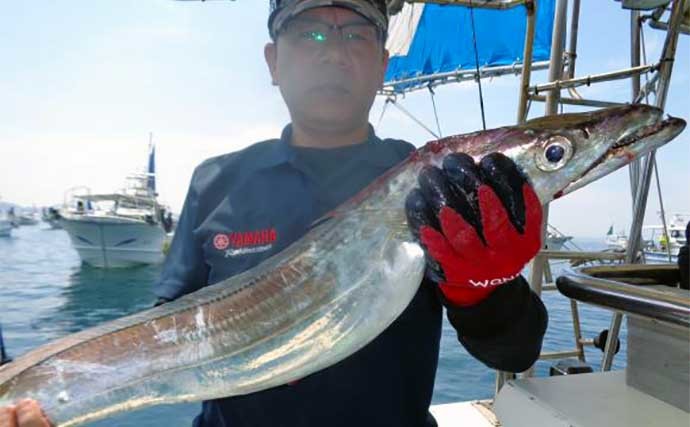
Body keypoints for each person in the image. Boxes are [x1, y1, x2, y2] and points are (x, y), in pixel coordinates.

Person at [0, 1, 547, 426]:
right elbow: (170, 323)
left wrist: (485, 286)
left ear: (383, 63)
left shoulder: (438, 185)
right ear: (273, 62)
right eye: (310, 33)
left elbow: (516, 351)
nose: (333, 51)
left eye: (356, 34)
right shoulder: (217, 180)